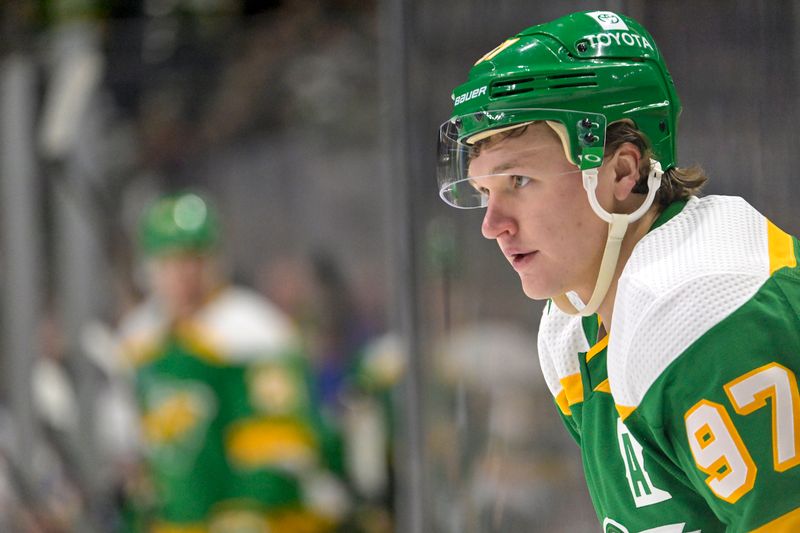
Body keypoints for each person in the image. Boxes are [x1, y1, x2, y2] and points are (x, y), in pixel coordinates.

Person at [436, 10, 800, 532]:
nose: (492, 224)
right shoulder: (573, 328)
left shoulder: (709, 311)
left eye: (518, 179)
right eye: (483, 192)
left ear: (622, 171)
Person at [117, 191, 347, 532]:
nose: (184, 274)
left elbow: (278, 446)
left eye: (194, 258)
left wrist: (247, 512)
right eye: (171, 260)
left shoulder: (256, 332)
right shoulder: (140, 339)